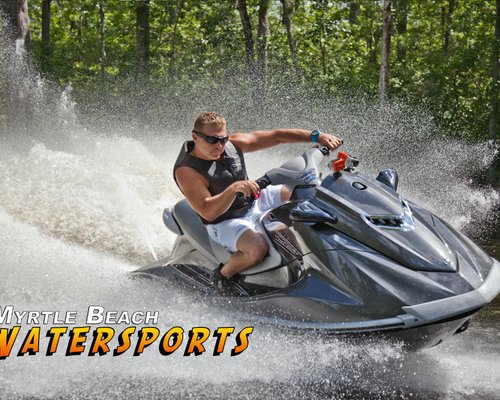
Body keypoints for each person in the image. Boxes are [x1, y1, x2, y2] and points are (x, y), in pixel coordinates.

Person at [173, 112, 342, 292]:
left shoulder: (232, 145)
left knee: (304, 193)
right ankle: (223, 276)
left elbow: (276, 136)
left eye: (223, 139)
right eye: (212, 140)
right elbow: (207, 211)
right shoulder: (187, 171)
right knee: (257, 249)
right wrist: (232, 189)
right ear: (195, 137)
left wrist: (316, 136)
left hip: (254, 200)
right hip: (225, 221)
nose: (220, 145)